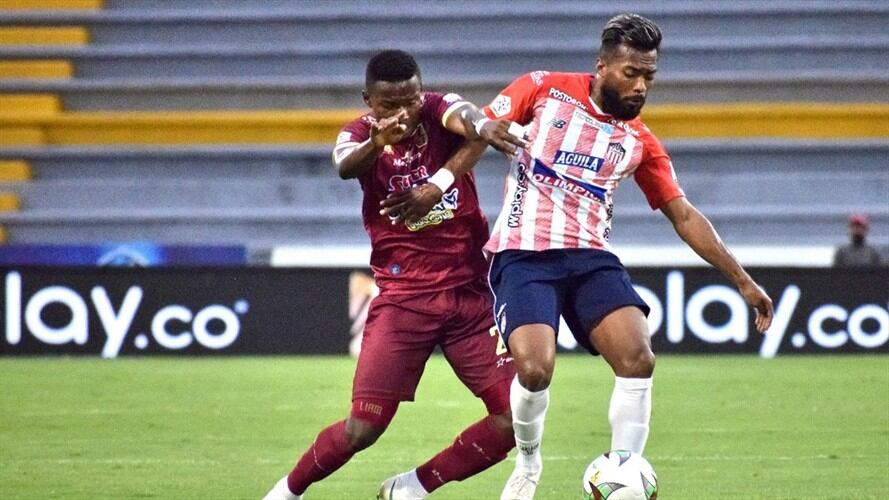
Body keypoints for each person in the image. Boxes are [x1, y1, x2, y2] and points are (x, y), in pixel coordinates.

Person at [458, 13, 775, 500]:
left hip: (589, 257)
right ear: (602, 66)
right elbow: (478, 130)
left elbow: (684, 215)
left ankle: (624, 473)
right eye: (631, 73)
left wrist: (742, 280)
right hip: (524, 253)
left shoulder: (639, 142)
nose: (641, 86)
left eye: (649, 76)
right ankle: (527, 461)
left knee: (638, 358)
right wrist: (446, 177)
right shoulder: (543, 90)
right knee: (535, 369)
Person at [263, 50, 518, 500]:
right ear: (368, 101)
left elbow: (471, 123)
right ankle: (284, 493)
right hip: (404, 300)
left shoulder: (439, 110)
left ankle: (412, 488)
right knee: (362, 429)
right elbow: (346, 166)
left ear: (422, 91)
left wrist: (435, 184)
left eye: (411, 99)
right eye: (388, 104)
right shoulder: (358, 135)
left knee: (515, 418)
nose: (403, 112)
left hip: (470, 295)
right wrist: (379, 143)